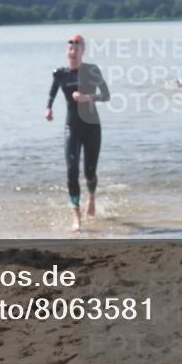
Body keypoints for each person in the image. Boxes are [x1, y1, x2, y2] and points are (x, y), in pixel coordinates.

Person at [45, 35, 110, 232]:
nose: (73, 46)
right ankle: (77, 216)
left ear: (83, 49)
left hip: (92, 127)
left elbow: (106, 95)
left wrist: (87, 97)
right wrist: (48, 108)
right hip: (71, 128)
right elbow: (52, 93)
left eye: (77, 43)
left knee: (89, 172)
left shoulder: (91, 70)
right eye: (70, 43)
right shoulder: (59, 73)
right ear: (67, 50)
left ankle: (91, 197)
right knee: (72, 171)